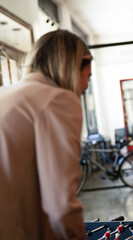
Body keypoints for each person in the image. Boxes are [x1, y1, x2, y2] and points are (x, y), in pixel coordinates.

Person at [0, 30, 93, 239]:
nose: (86, 87)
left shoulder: (5, 94)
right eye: (88, 76)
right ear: (71, 67)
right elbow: (60, 206)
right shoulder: (57, 100)